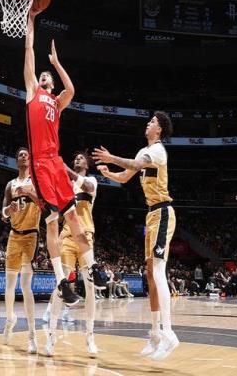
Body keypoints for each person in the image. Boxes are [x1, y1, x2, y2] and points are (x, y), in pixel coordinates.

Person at [24, 10, 104, 307]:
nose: (43, 75)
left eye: (48, 75)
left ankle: (92, 266)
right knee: (53, 220)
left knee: (72, 216)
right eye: (43, 74)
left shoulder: (57, 102)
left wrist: (57, 63)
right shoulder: (32, 91)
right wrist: (31, 21)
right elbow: (29, 50)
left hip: (56, 162)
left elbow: (72, 89)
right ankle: (61, 281)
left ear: (52, 82)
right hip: (40, 163)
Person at [93, 111, 178, 361]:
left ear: (159, 129)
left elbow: (135, 165)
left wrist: (111, 157)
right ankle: (155, 334)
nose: (148, 123)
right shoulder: (144, 151)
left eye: (152, 122)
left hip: (163, 212)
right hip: (151, 215)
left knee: (159, 272)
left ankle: (169, 333)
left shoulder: (158, 151)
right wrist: (108, 173)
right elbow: (126, 175)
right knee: (150, 274)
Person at [44, 151, 100, 356]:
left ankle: (90, 336)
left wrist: (66, 169)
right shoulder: (64, 184)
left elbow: (88, 187)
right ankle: (51, 336)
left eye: (81, 158)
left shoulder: (91, 181)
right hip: (67, 237)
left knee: (90, 287)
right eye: (75, 157)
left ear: (87, 164)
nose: (77, 159)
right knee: (62, 284)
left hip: (85, 237)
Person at [1, 147, 41, 354]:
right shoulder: (11, 184)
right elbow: (3, 213)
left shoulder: (36, 181)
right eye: (20, 155)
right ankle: (10, 319)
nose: (23, 156)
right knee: (9, 285)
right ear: (17, 161)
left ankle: (32, 334)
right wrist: (9, 210)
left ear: (30, 160)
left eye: (26, 154)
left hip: (31, 235)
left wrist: (28, 193)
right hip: (14, 236)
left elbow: (44, 204)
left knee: (25, 286)